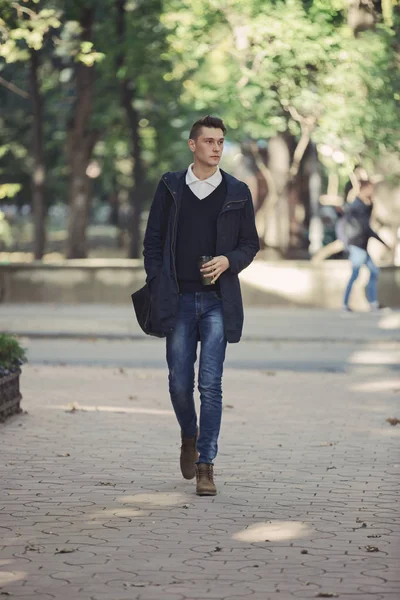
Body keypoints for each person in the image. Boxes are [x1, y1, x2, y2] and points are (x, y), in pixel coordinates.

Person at [143, 115, 259, 496]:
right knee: (179, 384)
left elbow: (249, 245)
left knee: (210, 384)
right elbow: (153, 239)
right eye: (208, 141)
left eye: (221, 142)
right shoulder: (171, 186)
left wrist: (229, 260)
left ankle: (206, 465)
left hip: (216, 302)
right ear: (193, 145)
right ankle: (188, 436)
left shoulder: (238, 191)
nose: (216, 147)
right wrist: (157, 281)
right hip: (176, 299)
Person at [339, 180, 390, 312]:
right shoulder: (357, 207)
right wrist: (383, 243)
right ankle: (345, 304)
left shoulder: (362, 205)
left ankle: (373, 303)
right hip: (357, 246)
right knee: (355, 274)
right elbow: (366, 229)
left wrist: (371, 204)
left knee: (374, 271)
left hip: (361, 246)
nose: (373, 192)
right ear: (365, 189)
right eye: (371, 189)